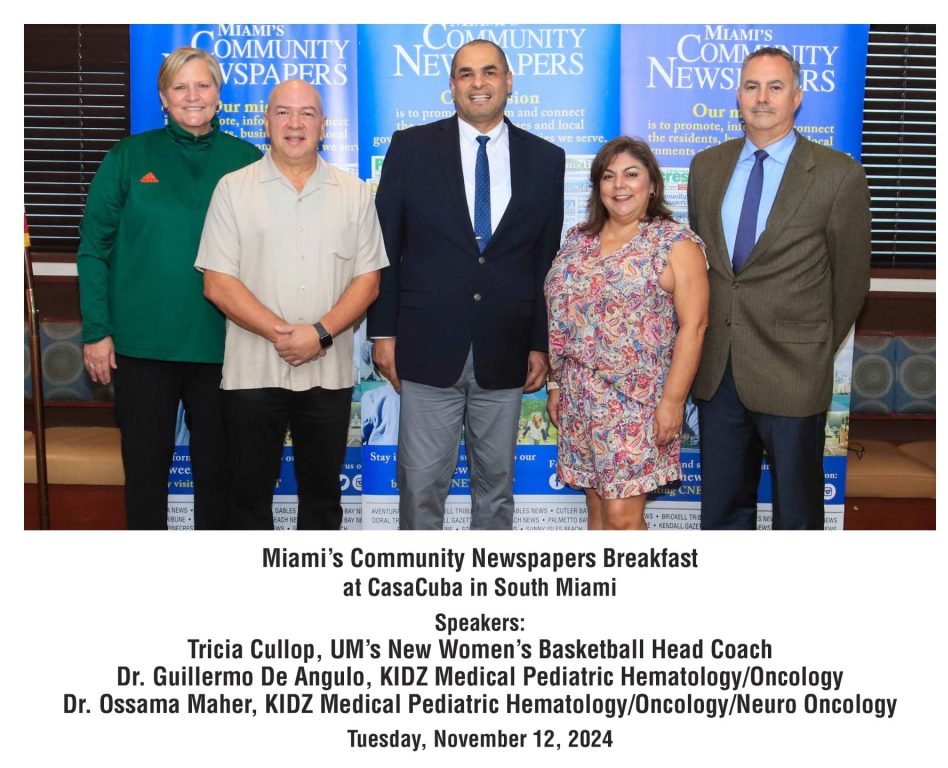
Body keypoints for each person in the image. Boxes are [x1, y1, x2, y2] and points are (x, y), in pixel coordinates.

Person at [366, 40, 565, 530]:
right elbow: (385, 246)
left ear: (509, 81)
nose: (479, 83)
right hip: (425, 347)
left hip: (507, 350)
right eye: (466, 74)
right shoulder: (410, 147)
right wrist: (383, 332)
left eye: (490, 72)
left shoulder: (546, 158)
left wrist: (540, 343)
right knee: (419, 489)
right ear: (452, 86)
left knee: (496, 493)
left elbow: (545, 262)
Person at [77, 47, 261, 530]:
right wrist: (97, 331)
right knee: (144, 476)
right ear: (163, 96)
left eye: (203, 85)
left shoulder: (247, 161)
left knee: (219, 478)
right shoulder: (127, 157)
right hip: (140, 349)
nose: (192, 96)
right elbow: (93, 250)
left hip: (224, 347)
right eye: (180, 87)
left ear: (218, 94)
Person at [687, 47, 871, 530]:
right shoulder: (706, 167)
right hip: (719, 371)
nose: (762, 98)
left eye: (775, 87)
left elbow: (851, 282)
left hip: (794, 371)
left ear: (797, 97)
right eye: (752, 86)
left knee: (797, 514)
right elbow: (704, 266)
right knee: (723, 512)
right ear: (738, 96)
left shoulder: (837, 174)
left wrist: (812, 346)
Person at [195, 79, 388, 530]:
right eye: (283, 112)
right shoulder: (233, 189)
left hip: (328, 371)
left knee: (322, 498)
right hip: (253, 370)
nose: (295, 123)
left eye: (307, 113)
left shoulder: (354, 193)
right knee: (247, 497)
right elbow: (218, 283)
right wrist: (284, 335)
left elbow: (368, 280)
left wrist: (317, 334)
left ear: (323, 125)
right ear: (266, 123)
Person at [545, 137, 709, 530]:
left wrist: (672, 403)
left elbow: (695, 326)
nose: (619, 185)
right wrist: (555, 385)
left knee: (622, 517)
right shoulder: (577, 240)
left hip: (638, 403)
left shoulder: (674, 243)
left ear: (652, 185)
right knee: (597, 508)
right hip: (578, 397)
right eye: (609, 176)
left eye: (631, 174)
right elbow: (558, 318)